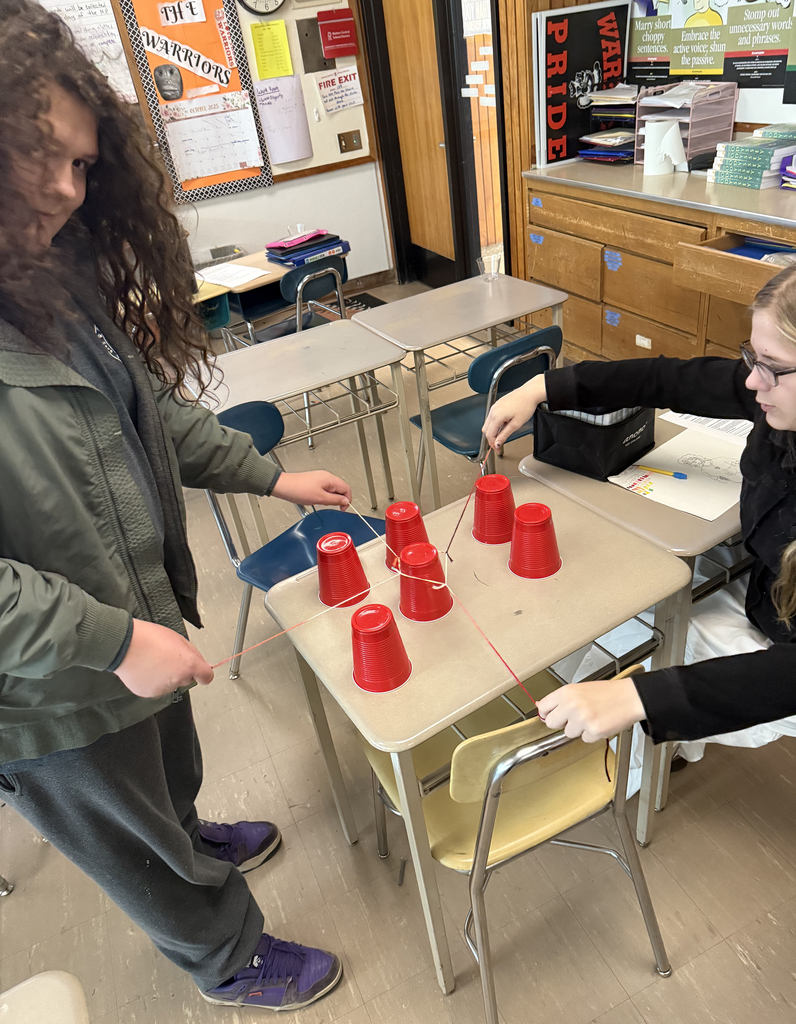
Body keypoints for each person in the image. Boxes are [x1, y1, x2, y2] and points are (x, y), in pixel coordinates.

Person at [0, 1, 350, 1012]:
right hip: (50, 692)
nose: (69, 193)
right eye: (44, 162)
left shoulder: (45, 278)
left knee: (168, 770)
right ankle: (223, 955)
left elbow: (140, 415)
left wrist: (269, 473)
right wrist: (112, 641)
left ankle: (186, 830)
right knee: (129, 837)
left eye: (81, 166)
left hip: (136, 619)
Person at [482, 265, 796, 749]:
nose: (753, 382)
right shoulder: (774, 396)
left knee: (636, 640)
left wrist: (642, 697)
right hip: (765, 581)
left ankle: (617, 777)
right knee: (622, 593)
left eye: (771, 365)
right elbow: (666, 379)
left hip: (781, 651)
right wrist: (542, 389)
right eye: (752, 358)